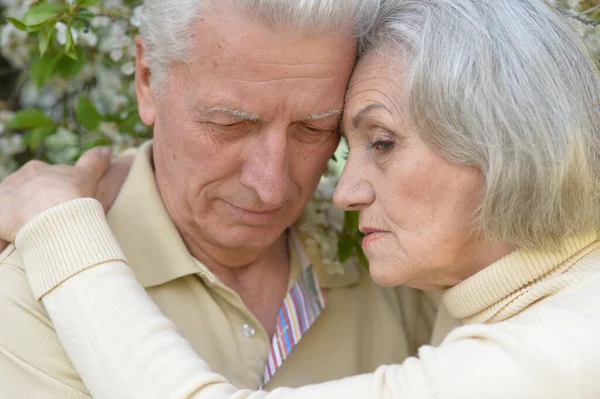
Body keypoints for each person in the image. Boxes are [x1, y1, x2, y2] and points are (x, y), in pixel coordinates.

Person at [6, 0, 600, 397]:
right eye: (230, 123)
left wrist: (61, 229)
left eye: (315, 131)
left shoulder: (543, 332)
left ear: (505, 148)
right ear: (146, 79)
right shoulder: (26, 295)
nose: (272, 184)